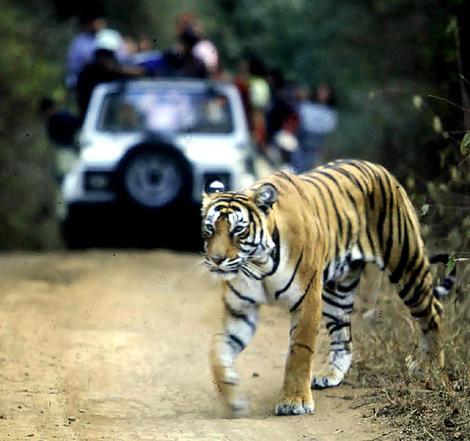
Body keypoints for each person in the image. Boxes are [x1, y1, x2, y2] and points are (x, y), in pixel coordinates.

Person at [76, 30, 145, 122]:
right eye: (102, 54)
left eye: (108, 54)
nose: (104, 59)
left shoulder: (119, 73)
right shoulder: (87, 74)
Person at [290, 84, 337, 173]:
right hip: (302, 137)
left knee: (308, 165)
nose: (322, 95)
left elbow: (329, 126)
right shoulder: (307, 105)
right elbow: (301, 117)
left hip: (316, 141)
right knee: (296, 161)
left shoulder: (329, 112)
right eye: (321, 92)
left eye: (325, 93)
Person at [65, 11, 106, 90]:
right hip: (82, 84)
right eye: (97, 22)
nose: (100, 25)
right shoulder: (80, 43)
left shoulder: (101, 39)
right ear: (89, 24)